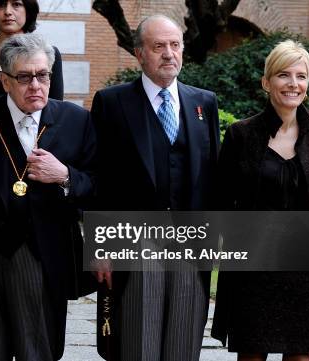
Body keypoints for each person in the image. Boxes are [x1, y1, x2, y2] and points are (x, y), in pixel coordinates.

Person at [0, 33, 96, 361]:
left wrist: (64, 175)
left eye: (43, 75)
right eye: (24, 77)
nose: (35, 85)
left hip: (45, 257)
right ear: (5, 81)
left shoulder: (76, 121)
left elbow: (96, 186)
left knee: (38, 351)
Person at [91, 14, 220, 361]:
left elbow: (211, 178)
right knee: (137, 342)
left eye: (174, 45)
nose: (168, 53)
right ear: (139, 53)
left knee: (182, 344)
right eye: (158, 46)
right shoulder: (111, 102)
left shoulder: (203, 103)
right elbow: (100, 178)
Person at [211, 40, 309, 361]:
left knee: (301, 356)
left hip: (305, 269)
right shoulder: (241, 134)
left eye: (301, 76)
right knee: (252, 354)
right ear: (267, 82)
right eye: (283, 75)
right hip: (254, 270)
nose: (293, 84)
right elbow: (222, 202)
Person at [0, 0, 63, 104]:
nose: (7, 11)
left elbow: (55, 108)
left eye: (16, 4)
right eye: (1, 5)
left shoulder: (48, 54)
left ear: (28, 9)